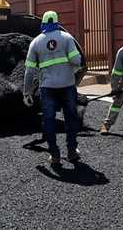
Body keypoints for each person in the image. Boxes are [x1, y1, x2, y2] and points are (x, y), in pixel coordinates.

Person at [23, 11, 82, 166]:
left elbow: (29, 71)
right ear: (57, 22)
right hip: (67, 86)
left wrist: (27, 92)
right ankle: (71, 152)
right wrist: (70, 72)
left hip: (47, 88)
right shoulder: (67, 38)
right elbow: (77, 61)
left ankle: (55, 155)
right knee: (71, 119)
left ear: (43, 23)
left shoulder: (35, 42)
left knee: (48, 120)